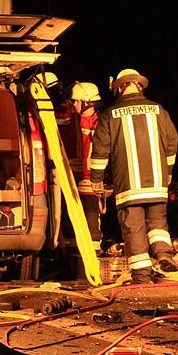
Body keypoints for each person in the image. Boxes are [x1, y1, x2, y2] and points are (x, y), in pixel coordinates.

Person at [90, 69, 178, 284]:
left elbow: (100, 151)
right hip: (157, 182)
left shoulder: (110, 114)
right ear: (139, 86)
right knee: (158, 224)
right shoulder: (159, 110)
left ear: (120, 87)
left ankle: (142, 275)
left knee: (134, 228)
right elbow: (171, 144)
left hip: (128, 186)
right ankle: (164, 255)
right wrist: (167, 173)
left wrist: (97, 179)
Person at [61, 81, 104, 256]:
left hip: (91, 178)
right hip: (71, 177)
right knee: (70, 218)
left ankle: (93, 254)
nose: (75, 104)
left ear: (88, 101)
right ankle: (74, 258)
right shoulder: (71, 120)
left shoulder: (101, 123)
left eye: (78, 101)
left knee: (92, 216)